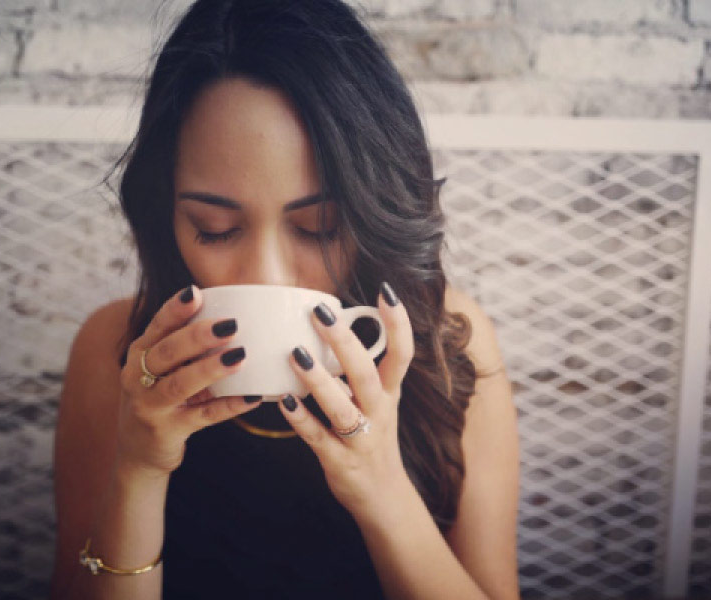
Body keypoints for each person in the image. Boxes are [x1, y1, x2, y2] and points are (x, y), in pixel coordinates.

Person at [49, 0, 519, 598]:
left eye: (319, 227)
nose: (267, 276)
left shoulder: (445, 342)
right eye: (216, 228)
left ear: (372, 211)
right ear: (165, 211)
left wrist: (382, 489)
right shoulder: (115, 355)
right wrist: (138, 470)